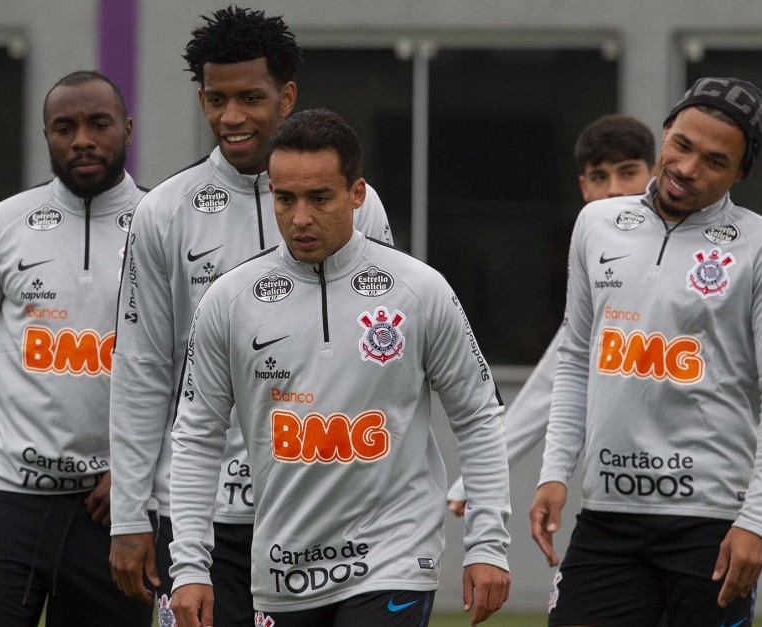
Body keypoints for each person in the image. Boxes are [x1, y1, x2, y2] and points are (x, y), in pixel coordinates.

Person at [166, 108, 510, 627]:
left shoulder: (420, 291)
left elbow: (479, 416)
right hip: (284, 570)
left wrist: (487, 544)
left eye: (319, 198)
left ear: (357, 194)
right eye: (285, 199)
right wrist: (190, 566)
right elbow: (195, 437)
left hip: (393, 558)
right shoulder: (229, 301)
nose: (300, 217)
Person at [107, 8, 392, 626]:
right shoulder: (164, 212)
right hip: (206, 517)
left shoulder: (359, 209)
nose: (230, 117)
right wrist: (131, 514)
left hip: (326, 506)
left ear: (285, 95)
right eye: (215, 99)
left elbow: (382, 360)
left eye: (249, 98)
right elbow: (140, 368)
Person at [0, 71, 152, 627]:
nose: (82, 138)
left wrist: (141, 473)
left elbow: (194, 374)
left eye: (98, 123)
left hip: (116, 507)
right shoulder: (0, 226)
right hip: (6, 496)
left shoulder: (166, 227)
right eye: (65, 127)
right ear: (46, 136)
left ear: (128, 130)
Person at [530, 77, 762, 626]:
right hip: (607, 516)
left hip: (710, 523)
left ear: (740, 173)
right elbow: (574, 357)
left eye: (714, 161)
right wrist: (554, 472)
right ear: (665, 133)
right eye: (682, 145)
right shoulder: (596, 224)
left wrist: (756, 521)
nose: (687, 168)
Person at [447, 114, 655, 515]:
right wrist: (478, 477)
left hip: (703, 496)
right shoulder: (600, 267)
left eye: (627, 172)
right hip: (618, 489)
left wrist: (755, 503)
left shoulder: (709, 256)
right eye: (599, 177)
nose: (614, 190)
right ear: (583, 188)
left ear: (654, 173)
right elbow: (559, 375)